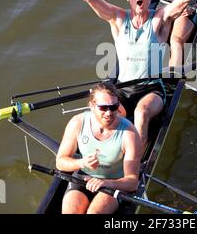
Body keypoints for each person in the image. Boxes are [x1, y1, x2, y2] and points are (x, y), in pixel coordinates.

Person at [47, 0, 197, 150]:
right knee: (104, 118)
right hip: (123, 88)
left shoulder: (160, 18)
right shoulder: (117, 17)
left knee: (141, 113)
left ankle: (135, 169)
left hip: (152, 89)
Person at [56, 82, 141, 214]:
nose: (109, 113)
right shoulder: (77, 123)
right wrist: (82, 162)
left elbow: (132, 183)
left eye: (113, 107)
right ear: (91, 106)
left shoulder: (129, 133)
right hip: (84, 177)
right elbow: (60, 162)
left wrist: (107, 183)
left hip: (115, 182)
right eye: (103, 107)